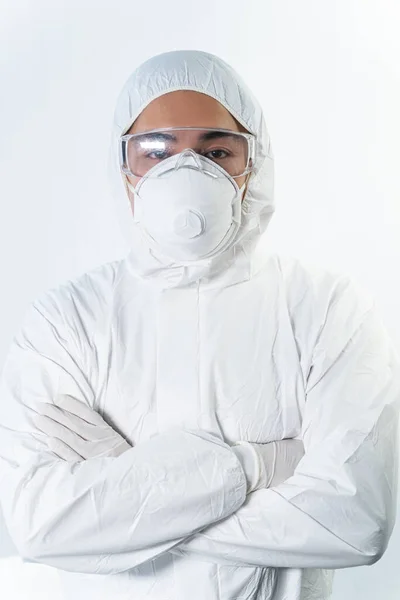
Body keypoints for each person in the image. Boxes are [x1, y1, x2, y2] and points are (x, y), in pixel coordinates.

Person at [0, 49, 399, 600]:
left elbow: (353, 523)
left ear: (252, 165)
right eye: (156, 153)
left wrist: (134, 488)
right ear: (125, 171)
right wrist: (255, 466)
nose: (188, 174)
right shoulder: (67, 320)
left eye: (216, 152)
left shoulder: (327, 307)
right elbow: (37, 523)